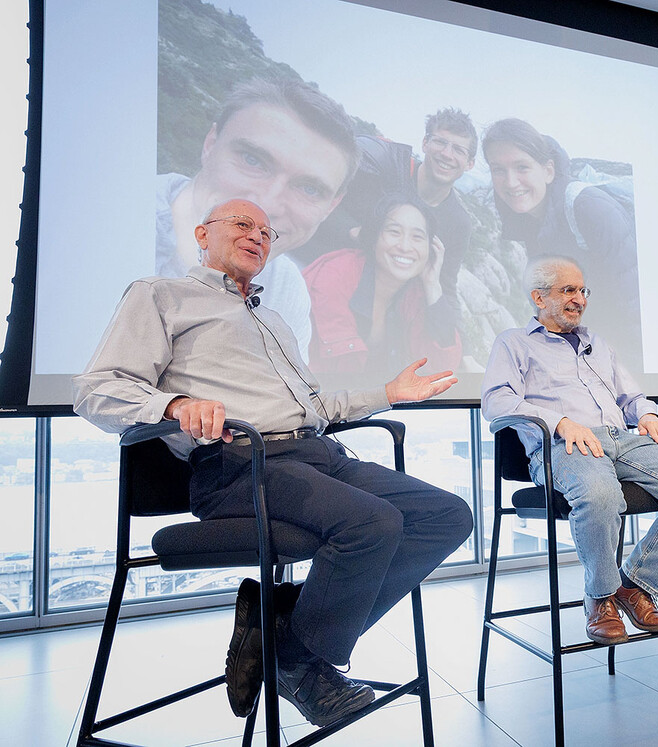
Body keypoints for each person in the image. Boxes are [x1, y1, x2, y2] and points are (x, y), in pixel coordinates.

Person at [74, 198, 473, 728]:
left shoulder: (273, 319)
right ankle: (298, 663)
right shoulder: (161, 295)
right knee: (373, 522)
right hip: (240, 463)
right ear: (201, 233)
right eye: (243, 224)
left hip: (315, 454)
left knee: (448, 515)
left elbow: (315, 409)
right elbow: (96, 391)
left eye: (267, 231)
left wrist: (388, 393)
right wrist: (172, 406)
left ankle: (287, 634)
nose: (258, 236)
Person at [481, 256, 658, 645]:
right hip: (564, 443)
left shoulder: (598, 343)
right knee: (600, 494)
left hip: (620, 439)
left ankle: (636, 584)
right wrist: (559, 421)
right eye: (568, 291)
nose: (579, 299)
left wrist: (649, 414)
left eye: (582, 290)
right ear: (538, 298)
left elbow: (633, 395)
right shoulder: (514, 342)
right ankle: (601, 598)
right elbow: (496, 401)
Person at [156, 76, 360, 359]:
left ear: (331, 206)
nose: (266, 203)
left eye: (309, 188)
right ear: (210, 144)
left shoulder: (287, 289)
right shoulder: (107, 229)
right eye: (252, 160)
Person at [481, 118, 643, 372]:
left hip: (617, 369)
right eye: (498, 170)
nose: (510, 182)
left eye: (522, 167)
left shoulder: (589, 208)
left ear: (548, 170)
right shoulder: (528, 219)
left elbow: (634, 303)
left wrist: (633, 382)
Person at [308, 108, 477, 316]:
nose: (447, 154)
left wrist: (458, 339)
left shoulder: (458, 223)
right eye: (440, 142)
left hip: (375, 309)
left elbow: (446, 285)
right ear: (425, 143)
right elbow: (314, 202)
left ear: (470, 164)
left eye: (459, 150)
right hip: (315, 269)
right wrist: (355, 232)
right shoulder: (384, 168)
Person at [302, 193, 462, 379]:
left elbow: (442, 368)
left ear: (431, 249)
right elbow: (330, 377)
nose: (404, 246)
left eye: (417, 237)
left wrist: (433, 285)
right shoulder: (335, 276)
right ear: (374, 236)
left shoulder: (415, 293)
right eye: (394, 232)